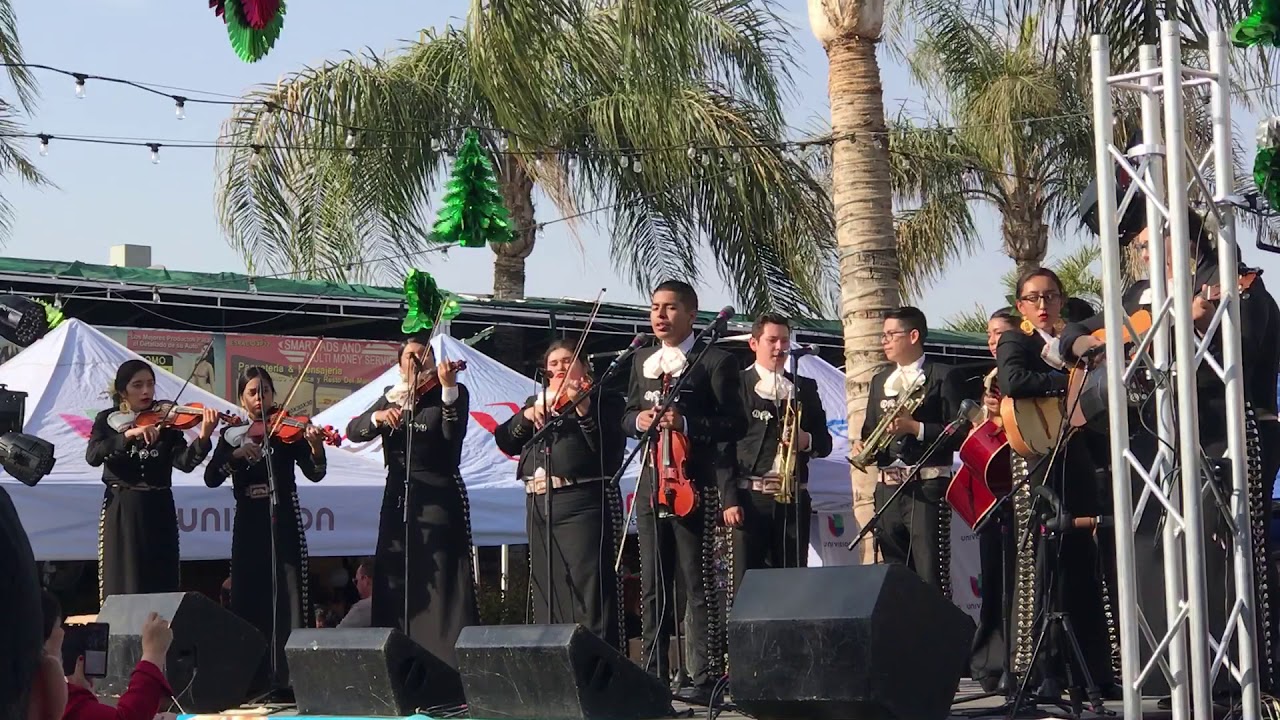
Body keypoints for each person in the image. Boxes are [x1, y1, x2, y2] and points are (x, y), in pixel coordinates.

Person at [1064, 211, 1280, 697]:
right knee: (1158, 552)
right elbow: (1071, 333)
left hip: (1227, 433)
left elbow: (1243, 353)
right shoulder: (1138, 295)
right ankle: (1176, 673)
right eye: (1139, 246)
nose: (1141, 253)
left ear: (1180, 235)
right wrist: (1093, 345)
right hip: (1159, 439)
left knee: (1223, 553)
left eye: (1148, 242)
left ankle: (1238, 679)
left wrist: (1193, 327)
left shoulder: (1234, 281)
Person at [623, 280, 746, 705]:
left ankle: (703, 675)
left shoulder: (714, 360)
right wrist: (639, 421)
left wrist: (687, 423)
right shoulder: (642, 359)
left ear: (691, 314)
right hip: (652, 481)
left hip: (694, 483)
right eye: (655, 307)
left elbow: (736, 424)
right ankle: (653, 674)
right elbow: (627, 414)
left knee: (697, 581)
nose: (660, 315)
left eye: (670, 307)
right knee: (653, 582)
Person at [998, 268, 1114, 697]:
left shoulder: (1075, 342)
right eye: (1033, 298)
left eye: (1050, 296)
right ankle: (1044, 670)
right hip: (1039, 456)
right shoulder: (1017, 340)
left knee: (1083, 560)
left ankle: (1095, 673)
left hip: (1075, 452)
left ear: (1062, 300)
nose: (1042, 304)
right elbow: (1013, 381)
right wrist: (1065, 382)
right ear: (1021, 306)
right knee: (1044, 563)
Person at [346, 335, 478, 672]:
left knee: (441, 580)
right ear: (400, 365)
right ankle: (399, 662)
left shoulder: (451, 392)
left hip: (437, 493)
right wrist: (378, 417)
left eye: (424, 354)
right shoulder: (392, 395)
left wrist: (448, 389)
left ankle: (447, 666)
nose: (418, 360)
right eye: (410, 356)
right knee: (396, 576)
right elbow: (353, 430)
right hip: (398, 494)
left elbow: (452, 439)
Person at [493, 339, 627, 649]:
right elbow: (505, 440)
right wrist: (527, 416)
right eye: (553, 363)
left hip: (581, 500)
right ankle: (555, 658)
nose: (559, 367)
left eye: (567, 361)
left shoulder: (604, 398)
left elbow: (609, 450)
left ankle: (597, 659)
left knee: (588, 588)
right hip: (540, 502)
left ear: (585, 366)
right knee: (549, 586)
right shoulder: (537, 401)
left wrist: (583, 408)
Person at [204, 367, 327, 694]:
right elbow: (211, 477)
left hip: (283, 515)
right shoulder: (232, 434)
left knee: (288, 592)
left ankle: (291, 679)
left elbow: (315, 472)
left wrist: (316, 447)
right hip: (248, 518)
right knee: (249, 592)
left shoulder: (287, 429)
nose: (260, 398)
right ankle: (253, 678)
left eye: (266, 391)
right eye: (253, 393)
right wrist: (235, 455)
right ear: (241, 398)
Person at [87, 360, 218, 603]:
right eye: (137, 385)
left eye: (150, 384)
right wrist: (128, 435)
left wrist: (203, 438)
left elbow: (184, 462)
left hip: (158, 507)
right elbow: (93, 456)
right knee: (124, 581)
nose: (146, 391)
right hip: (123, 508)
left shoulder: (166, 421)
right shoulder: (107, 420)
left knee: (160, 580)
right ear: (123, 391)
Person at [853, 306, 962, 595]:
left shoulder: (942, 375)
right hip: (888, 489)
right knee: (895, 574)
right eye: (883, 335)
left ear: (913, 336)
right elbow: (870, 429)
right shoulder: (880, 380)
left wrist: (916, 428)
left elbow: (959, 433)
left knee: (929, 573)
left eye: (891, 334)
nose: (885, 341)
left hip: (925, 487)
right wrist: (863, 444)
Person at [729, 313, 832, 589]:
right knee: (748, 584)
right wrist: (728, 499)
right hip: (750, 497)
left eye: (784, 341)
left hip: (793, 498)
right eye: (772, 340)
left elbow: (825, 443)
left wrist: (806, 440)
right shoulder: (736, 384)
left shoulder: (804, 386)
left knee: (792, 583)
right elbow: (724, 447)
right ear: (754, 343)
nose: (779, 347)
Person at [968, 307, 1020, 692]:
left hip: (1018, 483)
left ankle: (1018, 659)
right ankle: (989, 659)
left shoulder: (1019, 373)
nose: (992, 341)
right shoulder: (988, 378)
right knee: (993, 576)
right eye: (989, 334)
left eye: (1000, 333)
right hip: (992, 490)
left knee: (1017, 579)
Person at [42, 590, 173, 720]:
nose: (62, 633)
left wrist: (83, 699)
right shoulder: (49, 697)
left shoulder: (37, 693)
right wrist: (153, 654)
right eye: (58, 626)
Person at [338, 558, 376, 628]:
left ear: (365, 579)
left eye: (356, 581)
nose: (356, 586)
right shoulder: (395, 603)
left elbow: (338, 633)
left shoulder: (362, 608)